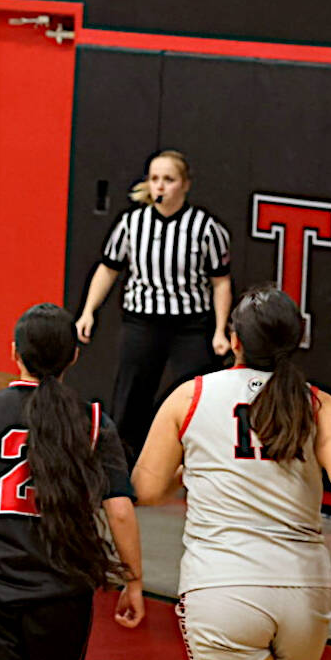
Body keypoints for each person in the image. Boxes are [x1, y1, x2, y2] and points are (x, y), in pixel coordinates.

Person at [132, 286, 331, 660]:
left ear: (235, 340)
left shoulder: (190, 396)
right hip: (304, 589)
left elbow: (146, 489)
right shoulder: (320, 405)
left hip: (222, 585)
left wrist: (190, 472)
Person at [0, 303, 144, 660]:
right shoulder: (93, 421)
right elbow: (120, 512)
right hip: (61, 595)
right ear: (74, 357)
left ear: (14, 352)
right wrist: (134, 581)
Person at [75, 149, 232, 461]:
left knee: (195, 394)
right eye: (155, 179)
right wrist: (88, 311)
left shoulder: (206, 228)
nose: (160, 186)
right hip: (142, 320)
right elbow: (108, 268)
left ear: (185, 185)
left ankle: (194, 465)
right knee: (131, 396)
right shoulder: (131, 224)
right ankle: (122, 469)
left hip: (190, 323)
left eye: (169, 179)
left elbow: (221, 282)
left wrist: (219, 330)